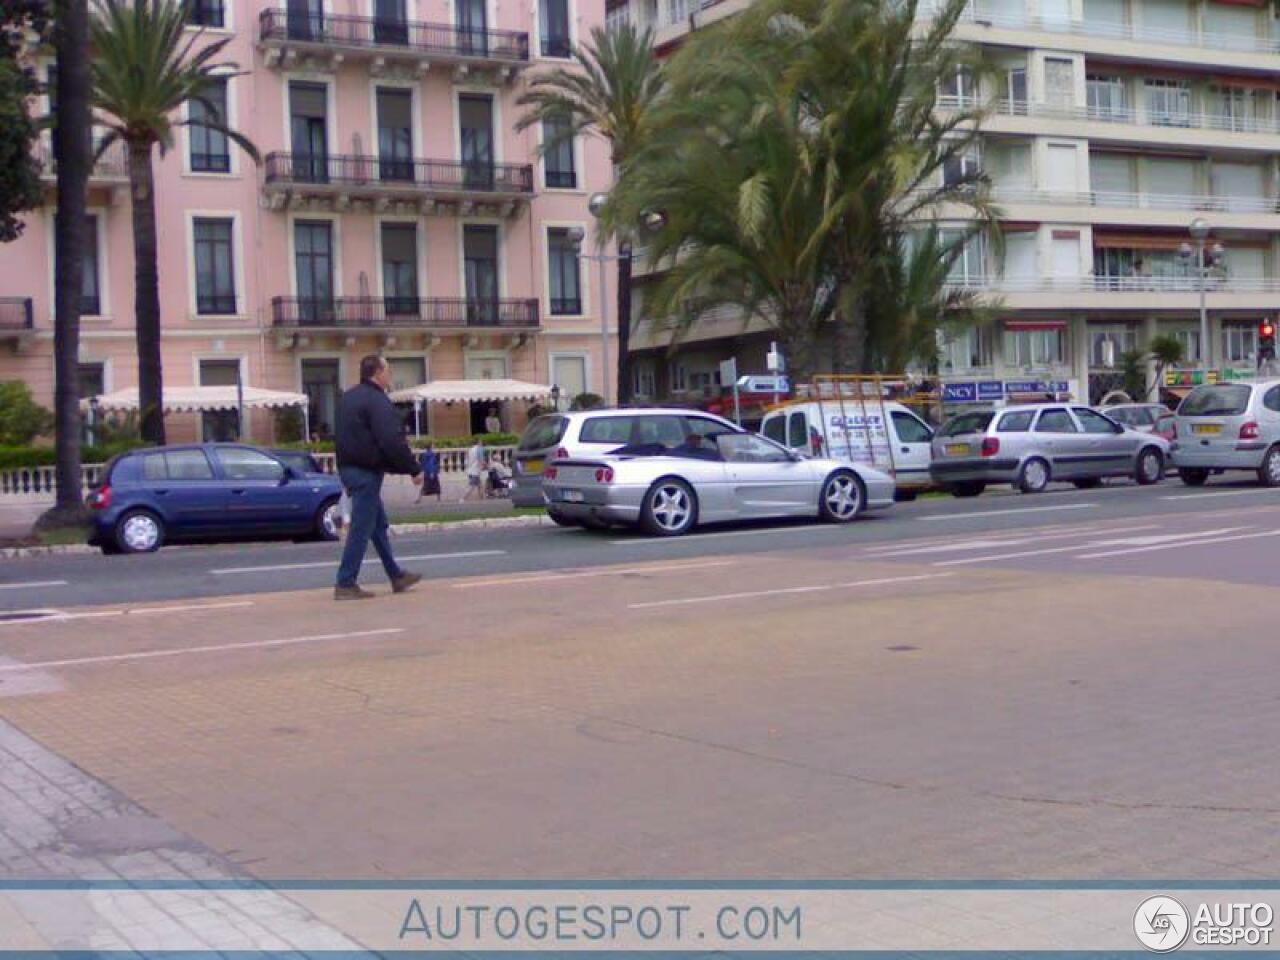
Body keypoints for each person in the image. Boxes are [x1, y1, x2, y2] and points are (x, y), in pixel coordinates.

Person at [333, 355, 422, 601]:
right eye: (388, 371)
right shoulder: (377, 401)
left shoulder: (347, 398)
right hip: (366, 472)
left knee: (377, 525)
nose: (390, 376)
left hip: (349, 468)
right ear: (378, 373)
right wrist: (412, 468)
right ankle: (345, 582)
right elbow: (391, 440)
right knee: (361, 528)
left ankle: (396, 575)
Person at [461, 437, 486, 502]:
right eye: (481, 442)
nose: (482, 443)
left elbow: (467, 460)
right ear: (478, 442)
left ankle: (482, 498)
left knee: (480, 485)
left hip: (470, 470)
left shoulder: (470, 449)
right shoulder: (479, 449)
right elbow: (481, 460)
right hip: (476, 470)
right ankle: (463, 498)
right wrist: (484, 466)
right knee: (471, 486)